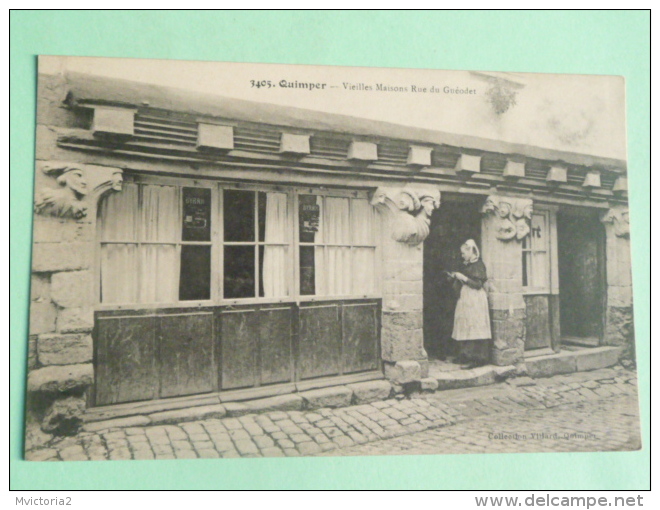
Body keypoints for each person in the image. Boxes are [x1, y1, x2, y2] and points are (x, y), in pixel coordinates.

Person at [447, 239, 491, 367]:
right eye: (461, 253)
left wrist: (463, 278)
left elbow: (477, 285)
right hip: (466, 298)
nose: (462, 255)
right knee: (466, 324)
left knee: (475, 325)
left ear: (471, 251)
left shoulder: (479, 265)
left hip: (475, 299)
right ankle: (466, 355)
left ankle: (477, 358)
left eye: (464, 253)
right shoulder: (466, 265)